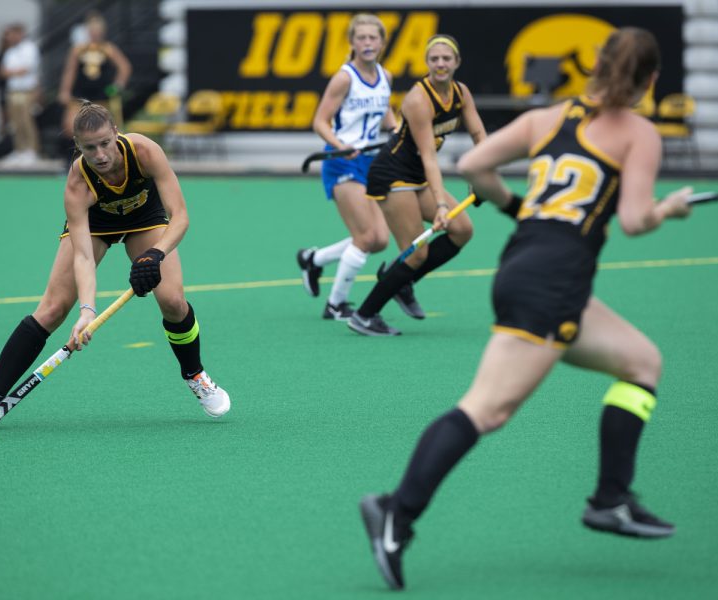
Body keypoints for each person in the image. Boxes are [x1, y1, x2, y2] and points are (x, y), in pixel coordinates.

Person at [358, 27, 694, 590]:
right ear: (651, 81)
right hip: (554, 282)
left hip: (523, 265)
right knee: (486, 409)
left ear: (597, 66)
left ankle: (612, 497)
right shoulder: (639, 133)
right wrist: (670, 210)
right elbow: (636, 220)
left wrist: (520, 208)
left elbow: (476, 166)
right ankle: (397, 510)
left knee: (642, 363)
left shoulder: (552, 116)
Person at [0, 102, 230, 432]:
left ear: (116, 134)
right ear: (78, 146)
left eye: (105, 143)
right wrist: (87, 311)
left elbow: (181, 217)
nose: (100, 154)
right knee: (51, 309)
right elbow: (83, 257)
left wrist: (155, 254)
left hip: (144, 218)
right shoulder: (78, 183)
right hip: (95, 224)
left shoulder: (145, 152)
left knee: (173, 302)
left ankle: (195, 375)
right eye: (89, 148)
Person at [346, 34, 490, 336]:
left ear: (457, 62)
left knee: (462, 230)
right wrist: (439, 205)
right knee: (416, 253)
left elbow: (480, 137)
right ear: (427, 63)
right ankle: (364, 315)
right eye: (434, 59)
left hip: (417, 176)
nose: (440, 64)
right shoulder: (418, 99)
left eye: (446, 58)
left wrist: (484, 177)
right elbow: (429, 158)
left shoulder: (461, 92)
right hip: (393, 174)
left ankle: (401, 281)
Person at [296, 13, 397, 320]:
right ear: (352, 42)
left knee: (379, 240)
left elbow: (388, 117)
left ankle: (314, 259)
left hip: (372, 162)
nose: (368, 43)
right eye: (362, 38)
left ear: (381, 42)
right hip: (342, 163)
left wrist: (401, 133)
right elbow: (320, 121)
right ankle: (336, 304)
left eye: (373, 38)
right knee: (366, 236)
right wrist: (341, 146)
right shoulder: (344, 77)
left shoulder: (385, 76)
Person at [58, 12, 132, 140]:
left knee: (101, 127)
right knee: (70, 125)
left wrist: (118, 85)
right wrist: (65, 91)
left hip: (101, 95)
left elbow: (124, 67)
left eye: (97, 30)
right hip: (80, 94)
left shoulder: (108, 48)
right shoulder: (78, 49)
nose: (95, 33)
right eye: (92, 30)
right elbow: (70, 71)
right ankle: (77, 153)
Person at [0, 23, 40, 166]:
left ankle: (31, 150)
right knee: (15, 122)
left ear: (20, 33)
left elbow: (26, 69)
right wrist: (14, 72)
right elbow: (3, 72)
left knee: (26, 120)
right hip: (13, 91)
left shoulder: (29, 48)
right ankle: (20, 150)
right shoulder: (9, 51)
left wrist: (12, 72)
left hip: (26, 91)